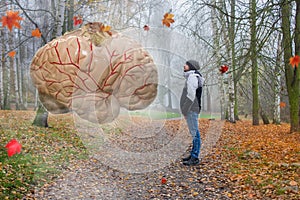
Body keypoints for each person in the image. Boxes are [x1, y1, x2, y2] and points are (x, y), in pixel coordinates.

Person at [180, 60, 204, 166]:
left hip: (192, 109)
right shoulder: (191, 76)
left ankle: (195, 157)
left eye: (186, 64)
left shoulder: (192, 77)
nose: (184, 66)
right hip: (192, 108)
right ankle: (193, 154)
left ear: (191, 67)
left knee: (195, 133)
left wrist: (185, 109)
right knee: (193, 132)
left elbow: (190, 95)